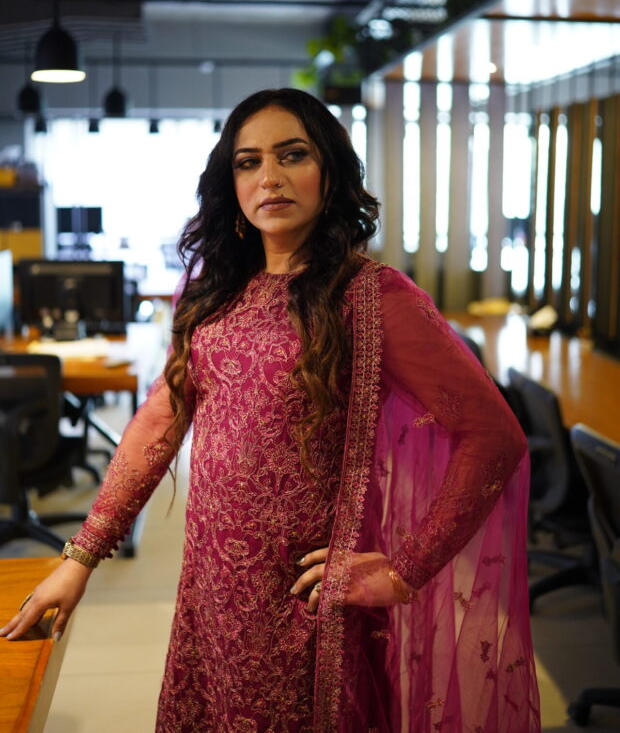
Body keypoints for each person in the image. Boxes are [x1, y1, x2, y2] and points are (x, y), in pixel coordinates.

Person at [1, 88, 541, 733]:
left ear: (330, 172)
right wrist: (79, 557)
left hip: (304, 607)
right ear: (229, 183)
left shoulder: (371, 297)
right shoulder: (212, 291)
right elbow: (160, 421)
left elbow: (493, 436)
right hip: (211, 592)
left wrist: (405, 569)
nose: (270, 177)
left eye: (293, 155)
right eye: (248, 162)